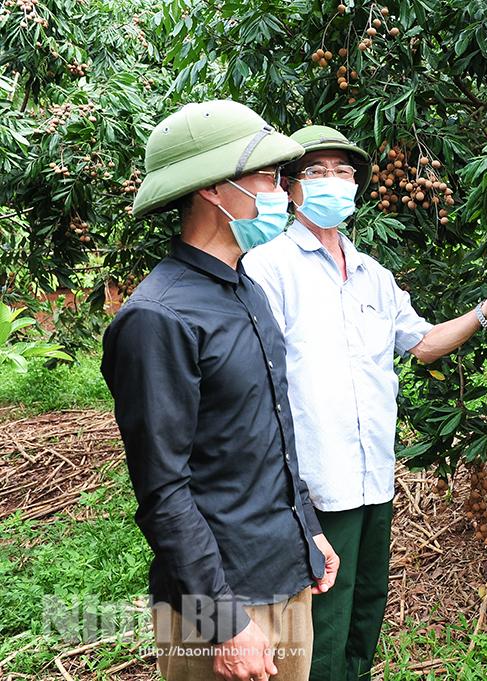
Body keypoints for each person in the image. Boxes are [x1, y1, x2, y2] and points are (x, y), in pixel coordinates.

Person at [242, 124, 487, 681]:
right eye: (318, 172)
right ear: (289, 187)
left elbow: (422, 344)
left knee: (366, 603)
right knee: (322, 614)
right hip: (315, 480)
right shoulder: (268, 268)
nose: (334, 183)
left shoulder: (373, 274)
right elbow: (259, 380)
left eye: (344, 173)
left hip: (373, 471)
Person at [101, 101, 341, 681]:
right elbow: (164, 489)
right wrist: (225, 621)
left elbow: (268, 434)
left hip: (286, 570)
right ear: (214, 189)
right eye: (268, 177)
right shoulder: (158, 318)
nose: (283, 190)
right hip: (221, 603)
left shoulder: (246, 289)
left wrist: (306, 528)